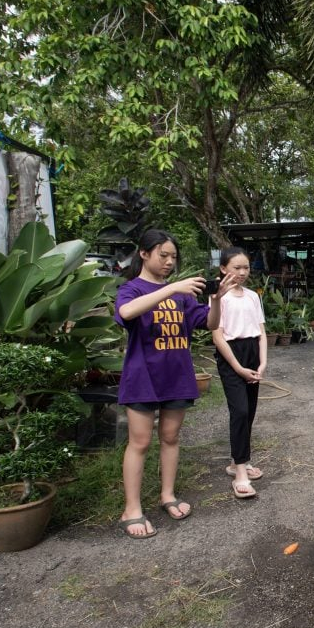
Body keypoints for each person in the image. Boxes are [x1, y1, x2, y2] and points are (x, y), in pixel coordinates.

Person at [115, 229, 234, 538]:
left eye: (173, 257)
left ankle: (167, 494)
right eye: (163, 255)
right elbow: (126, 312)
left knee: (170, 438)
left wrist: (216, 300)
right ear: (144, 253)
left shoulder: (181, 294)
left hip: (177, 376)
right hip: (143, 377)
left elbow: (210, 323)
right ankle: (131, 509)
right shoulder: (132, 289)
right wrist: (171, 290)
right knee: (139, 442)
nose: (169, 262)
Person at [212, 247, 268, 499]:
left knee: (250, 411)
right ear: (224, 268)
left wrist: (262, 363)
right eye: (237, 268)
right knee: (240, 411)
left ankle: (239, 461)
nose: (243, 272)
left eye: (246, 267)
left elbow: (261, 331)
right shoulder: (218, 297)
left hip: (252, 353)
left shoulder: (252, 296)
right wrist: (237, 367)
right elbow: (217, 335)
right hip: (231, 355)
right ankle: (240, 474)